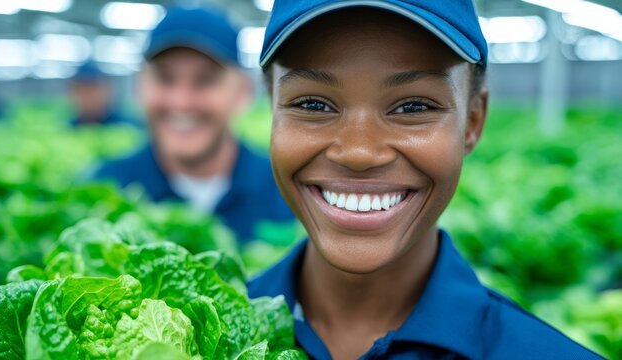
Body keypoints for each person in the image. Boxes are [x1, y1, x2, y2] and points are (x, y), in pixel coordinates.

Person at [247, 1, 604, 359]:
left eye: (413, 107)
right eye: (313, 105)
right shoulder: (203, 335)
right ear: (273, 108)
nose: (359, 152)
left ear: (473, 122)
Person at [93, 6, 295, 244]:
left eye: (205, 80)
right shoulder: (103, 191)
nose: (181, 102)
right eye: (164, 78)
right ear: (139, 88)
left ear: (243, 93)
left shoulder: (285, 192)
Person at [69, 60, 136, 127]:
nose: (88, 97)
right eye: (82, 89)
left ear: (107, 89)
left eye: (93, 89)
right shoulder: (66, 128)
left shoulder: (127, 127)